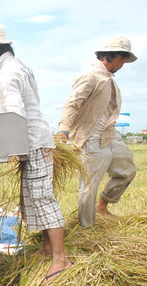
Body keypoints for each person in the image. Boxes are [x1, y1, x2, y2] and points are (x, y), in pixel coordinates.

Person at [0, 22, 72, 285]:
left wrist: (1, 145)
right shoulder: (14, 66)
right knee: (34, 199)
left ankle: (61, 260)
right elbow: (18, 102)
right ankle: (49, 251)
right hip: (35, 142)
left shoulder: (8, 73)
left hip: (34, 143)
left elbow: (16, 115)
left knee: (43, 199)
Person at [54, 37, 137, 227]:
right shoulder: (91, 76)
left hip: (110, 133)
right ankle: (87, 227)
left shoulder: (109, 78)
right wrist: (63, 131)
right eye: (122, 59)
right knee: (89, 187)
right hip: (92, 136)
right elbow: (71, 104)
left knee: (127, 170)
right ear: (113, 55)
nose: (123, 64)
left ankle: (103, 205)